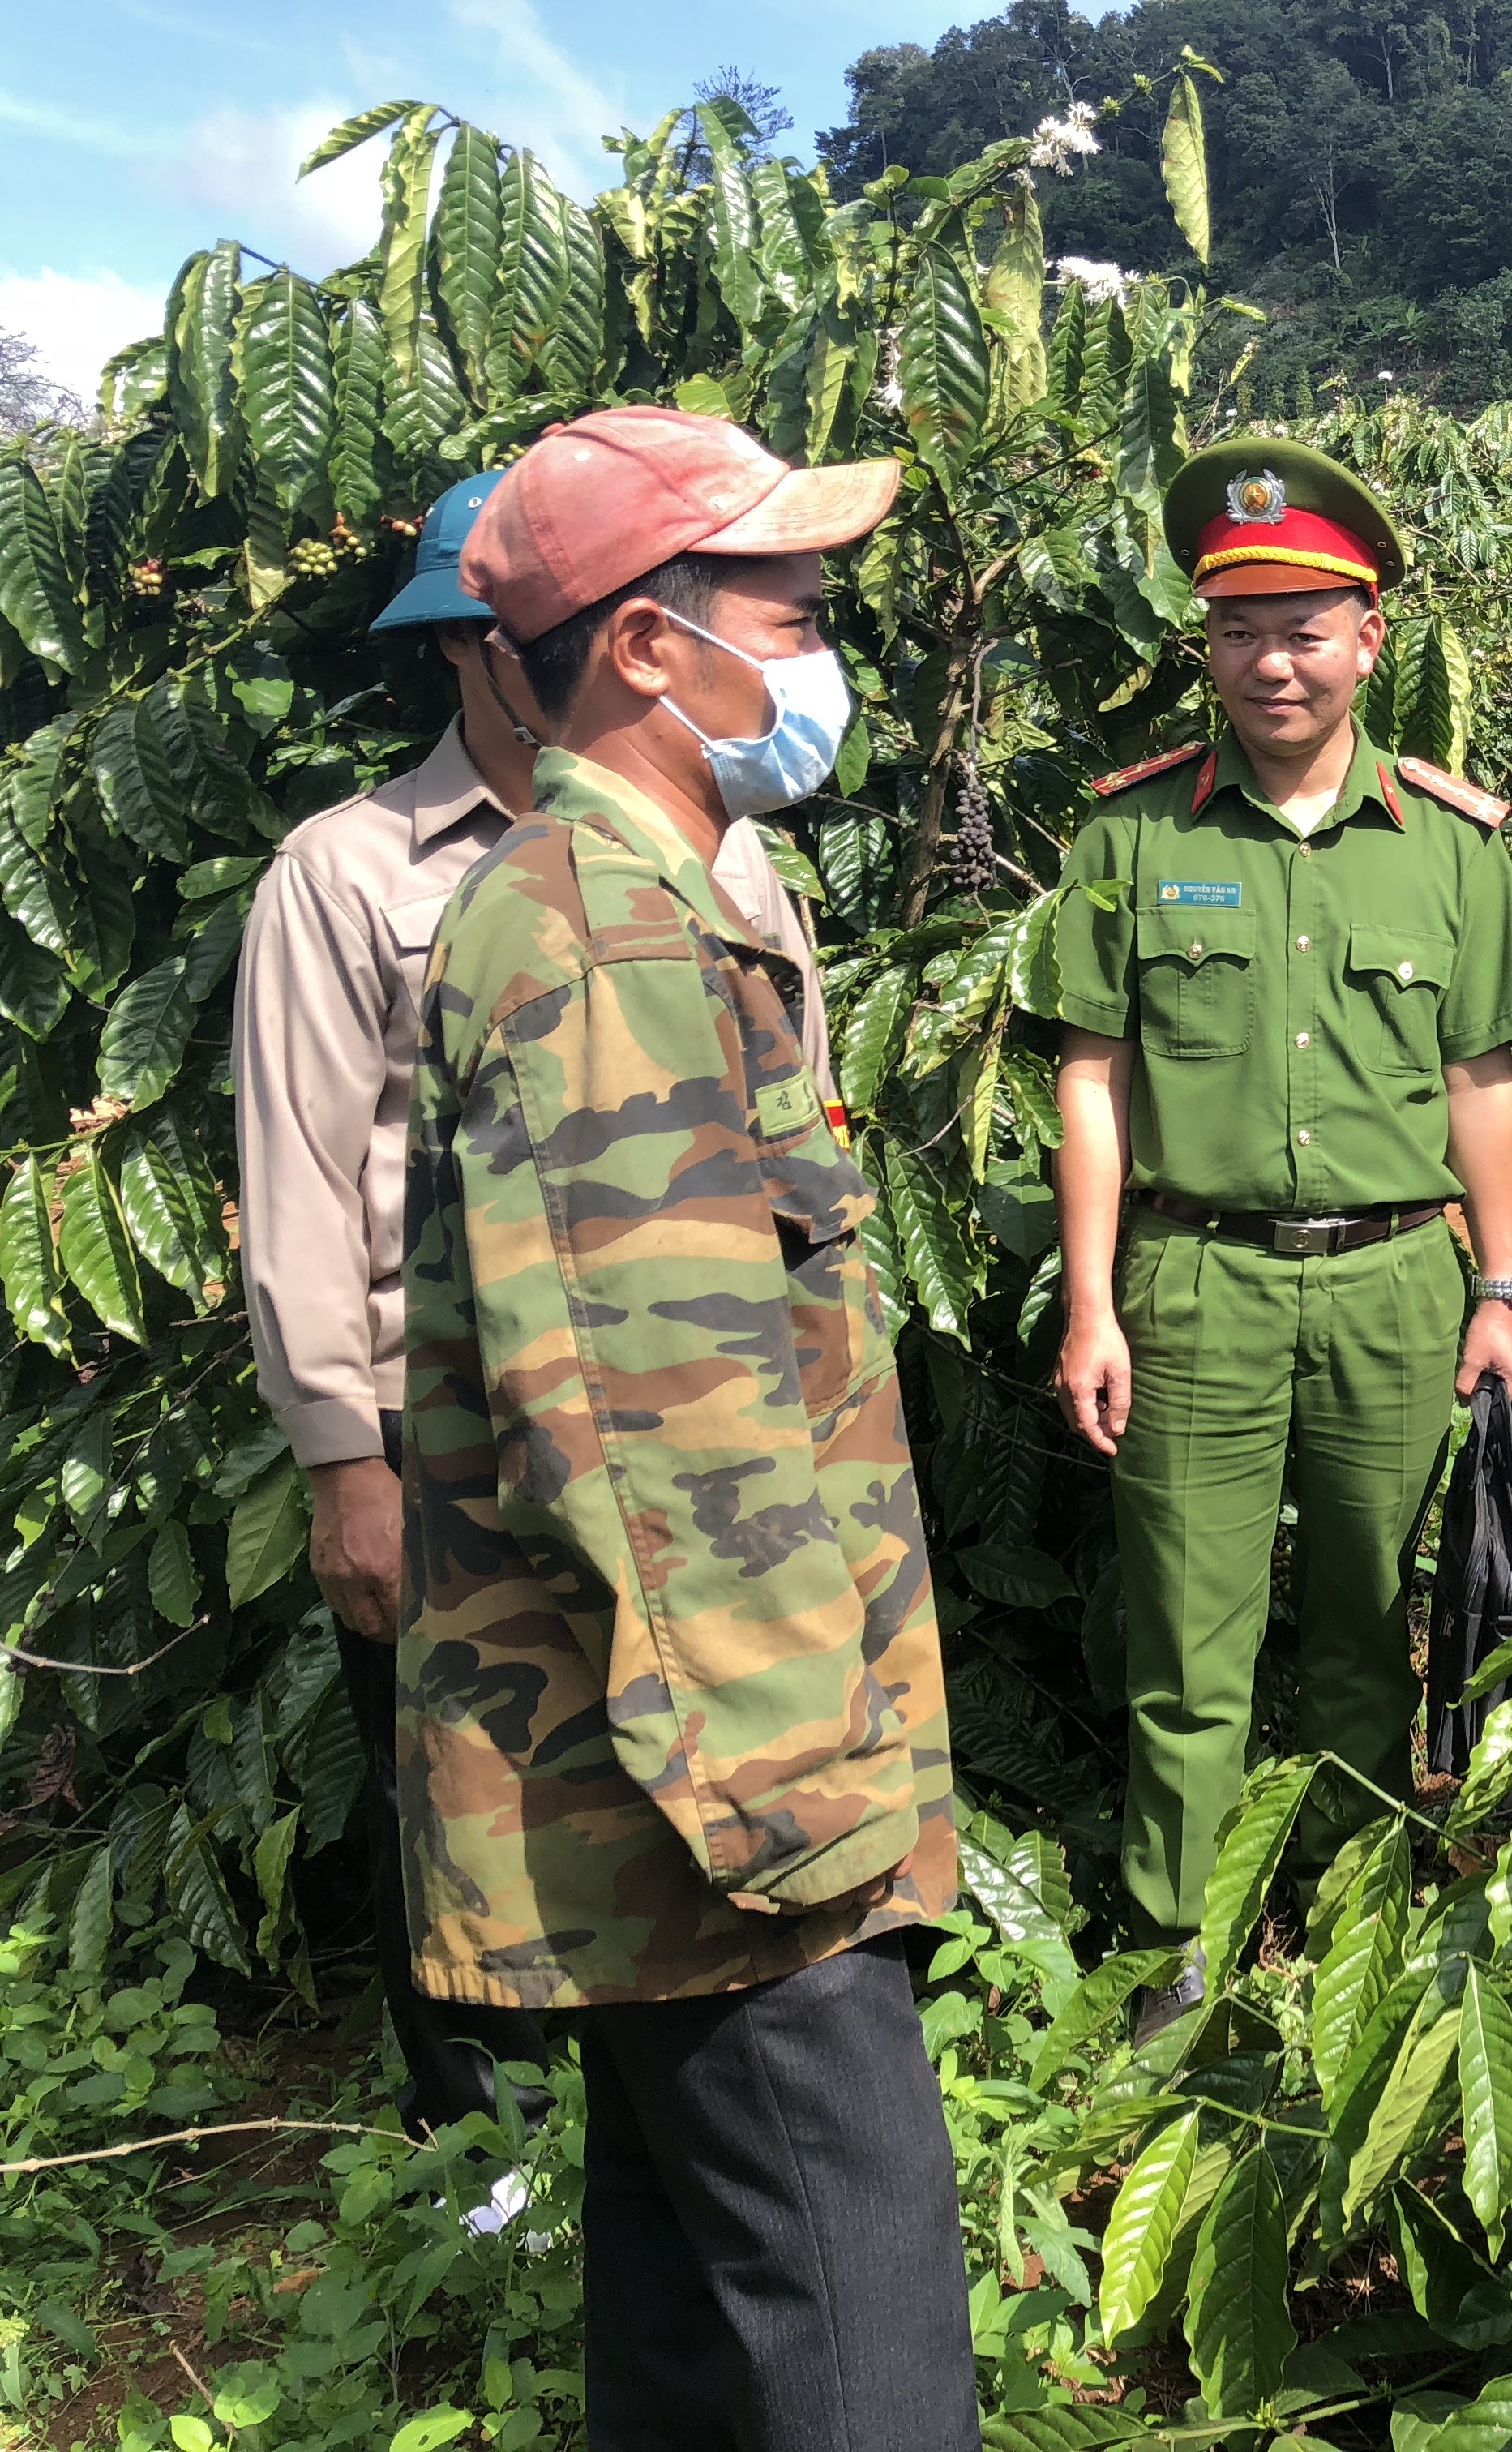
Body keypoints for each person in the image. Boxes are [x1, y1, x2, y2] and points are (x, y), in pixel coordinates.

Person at [407, 406, 973, 2448]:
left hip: (678, 1794)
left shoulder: (644, 898)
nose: (823, 649)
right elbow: (652, 1437)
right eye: (792, 609)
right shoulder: (598, 931)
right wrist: (799, 1808)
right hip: (725, 1802)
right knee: (856, 2315)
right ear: (651, 647)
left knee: (692, 2320)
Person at [233, 474, 839, 2190]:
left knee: (658, 1813)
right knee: (477, 1796)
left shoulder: (720, 853)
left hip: (689, 1447)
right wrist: (343, 1460)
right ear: (486, 657)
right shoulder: (352, 874)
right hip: (460, 1452)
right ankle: (486, 2162)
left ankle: (645, 2151)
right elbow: (297, 1179)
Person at [1047, 441, 1512, 2017]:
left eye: (1306, 626)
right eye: (1240, 627)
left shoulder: (1453, 850)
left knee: (1362, 1627)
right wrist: (1092, 1305)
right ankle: (1172, 1954)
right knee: (1188, 1655)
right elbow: (1093, 1080)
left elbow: (1485, 1082)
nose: (1274, 660)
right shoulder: (1133, 836)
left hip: (1400, 1284)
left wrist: (1503, 1282)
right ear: (1203, 643)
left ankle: (1349, 1920)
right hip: (1192, 1282)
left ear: (1369, 638)